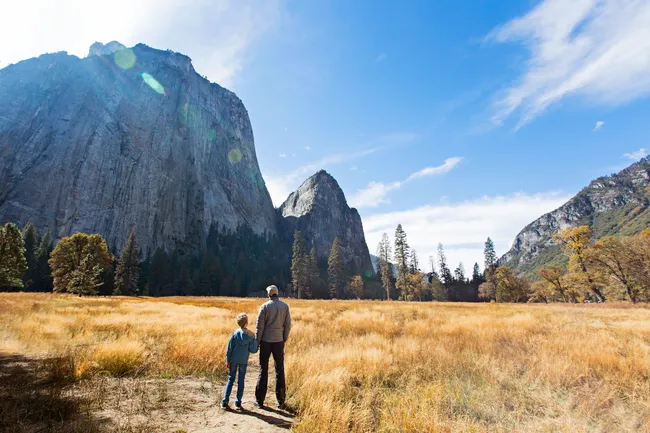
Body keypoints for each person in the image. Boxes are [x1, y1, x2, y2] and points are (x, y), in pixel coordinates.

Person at [254, 285, 291, 409]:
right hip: (278, 341)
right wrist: (284, 338)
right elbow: (288, 325)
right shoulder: (285, 307)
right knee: (279, 370)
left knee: (263, 370)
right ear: (277, 294)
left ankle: (259, 401)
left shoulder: (264, 307)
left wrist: (257, 342)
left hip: (265, 341)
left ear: (269, 294)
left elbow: (259, 327)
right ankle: (280, 401)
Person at [222, 313, 258, 410]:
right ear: (246, 322)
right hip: (243, 360)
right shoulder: (250, 335)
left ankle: (225, 401)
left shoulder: (235, 333)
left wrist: (227, 360)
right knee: (241, 381)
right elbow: (253, 350)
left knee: (231, 379)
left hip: (233, 359)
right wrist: (254, 340)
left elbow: (229, 348)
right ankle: (238, 402)